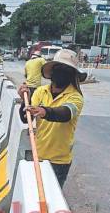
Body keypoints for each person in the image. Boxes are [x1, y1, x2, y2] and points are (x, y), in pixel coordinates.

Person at [17, 49, 86, 188]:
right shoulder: (40, 91)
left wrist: (44, 111)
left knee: (51, 198)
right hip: (38, 154)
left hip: (59, 161)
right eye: (59, 68)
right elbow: (26, 118)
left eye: (66, 70)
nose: (61, 73)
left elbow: (65, 114)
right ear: (52, 72)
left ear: (72, 74)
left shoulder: (75, 97)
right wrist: (25, 101)